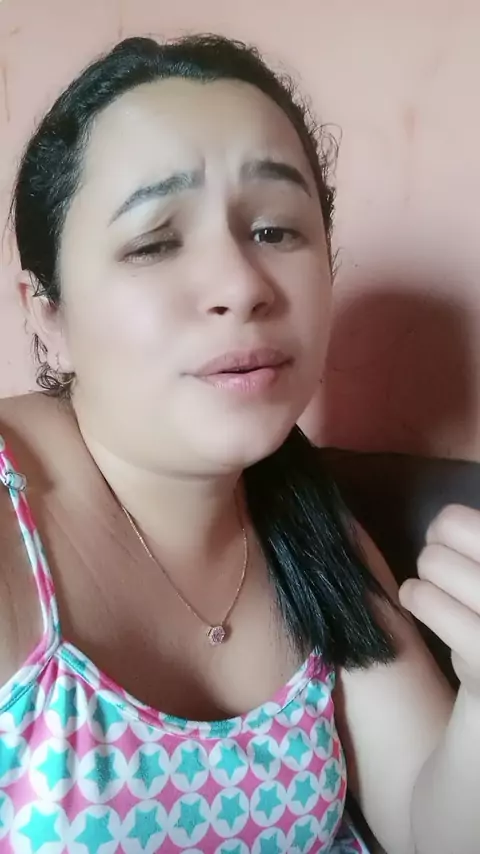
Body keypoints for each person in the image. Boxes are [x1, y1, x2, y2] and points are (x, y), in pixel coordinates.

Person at [0, 33, 479, 854]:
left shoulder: (306, 518)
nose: (242, 286)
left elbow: (433, 831)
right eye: (155, 241)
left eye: (276, 230)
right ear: (49, 315)